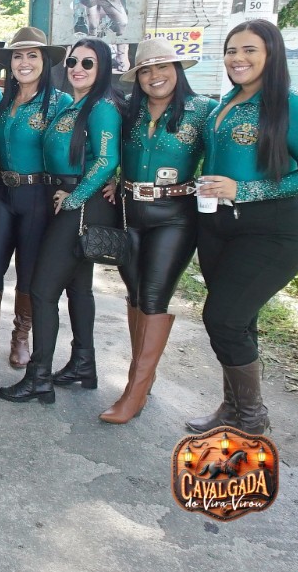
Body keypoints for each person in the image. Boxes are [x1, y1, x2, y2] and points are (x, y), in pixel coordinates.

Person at [187, 19, 298, 435]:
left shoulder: (292, 103)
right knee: (240, 320)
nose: (238, 58)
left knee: (223, 318)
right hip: (218, 225)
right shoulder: (225, 103)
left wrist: (246, 190)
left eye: (249, 50)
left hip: (273, 229)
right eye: (232, 51)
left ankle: (252, 419)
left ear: (272, 54)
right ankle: (234, 408)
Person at [0, 37, 121, 404]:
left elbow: (107, 158)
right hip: (66, 197)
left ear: (102, 68)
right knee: (79, 288)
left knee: (42, 290)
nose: (78, 69)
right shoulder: (76, 105)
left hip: (79, 203)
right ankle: (84, 363)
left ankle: (39, 377)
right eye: (73, 62)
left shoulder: (101, 106)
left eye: (88, 63)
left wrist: (76, 197)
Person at [98, 38, 214, 424]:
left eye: (162, 67)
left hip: (175, 216)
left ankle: (134, 391)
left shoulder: (203, 110)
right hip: (129, 212)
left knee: (152, 297)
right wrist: (113, 177)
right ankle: (143, 380)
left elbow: (230, 152)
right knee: (135, 294)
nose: (154, 76)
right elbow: (109, 150)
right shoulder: (127, 110)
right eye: (146, 70)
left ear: (177, 70)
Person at [0, 27, 70, 376]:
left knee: (29, 271)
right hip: (1, 192)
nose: (24, 62)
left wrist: (85, 183)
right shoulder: (2, 100)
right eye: (18, 56)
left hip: (38, 197)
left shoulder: (61, 102)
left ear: (45, 61)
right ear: (9, 62)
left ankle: (20, 337)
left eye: (32, 55)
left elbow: (81, 146)